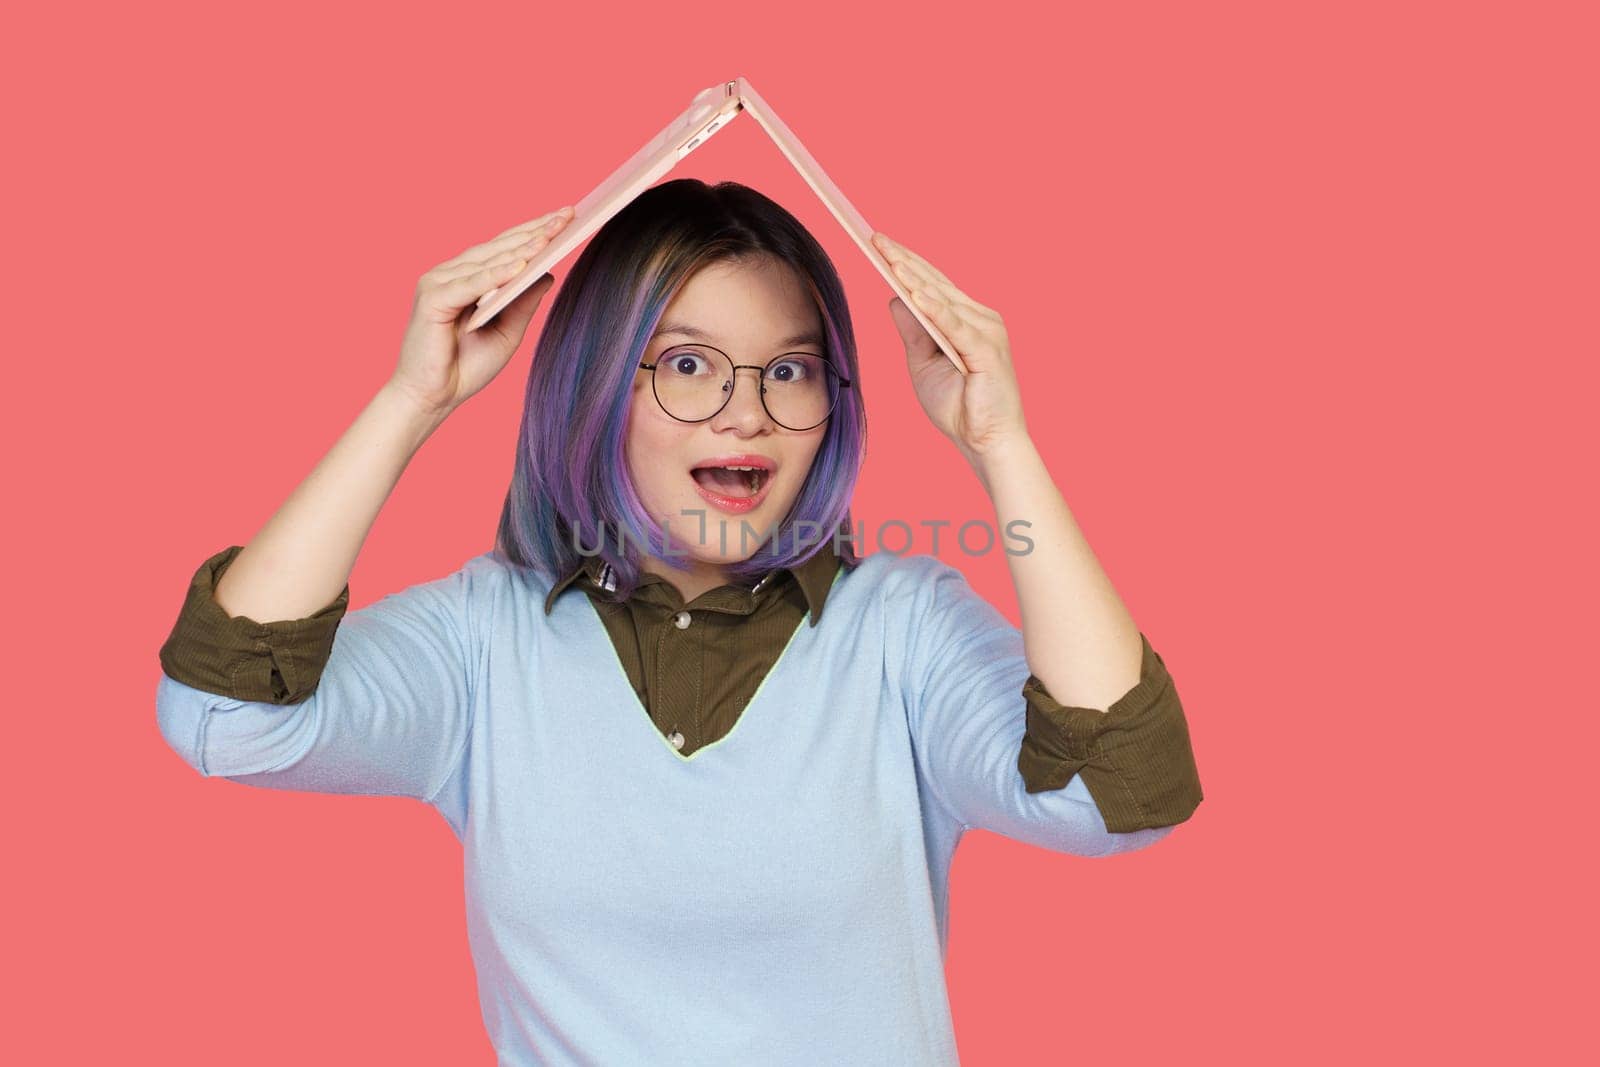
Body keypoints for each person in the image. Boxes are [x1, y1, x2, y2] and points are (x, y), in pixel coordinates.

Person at [156, 178, 1204, 1065]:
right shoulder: (485, 641)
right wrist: (410, 400)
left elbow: (1120, 796)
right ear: (599, 384)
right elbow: (224, 713)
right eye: (689, 364)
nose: (746, 412)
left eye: (789, 369)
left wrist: (1001, 443)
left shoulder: (902, 629)